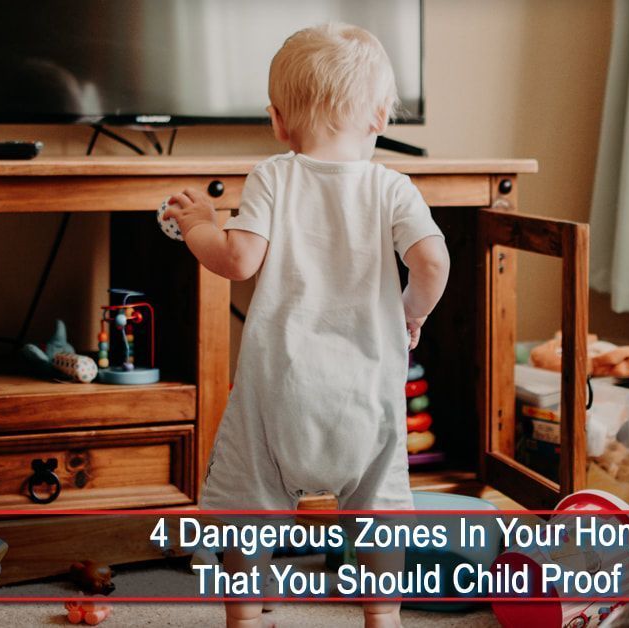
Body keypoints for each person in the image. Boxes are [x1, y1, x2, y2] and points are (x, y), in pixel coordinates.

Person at [164, 22, 450, 627]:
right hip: (368, 396)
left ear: (278, 121)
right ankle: (383, 618)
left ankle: (243, 617)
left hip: (279, 395)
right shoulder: (393, 187)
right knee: (378, 513)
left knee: (245, 507)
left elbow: (237, 260)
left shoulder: (274, 174)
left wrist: (199, 225)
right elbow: (431, 261)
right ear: (379, 116)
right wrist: (410, 312)